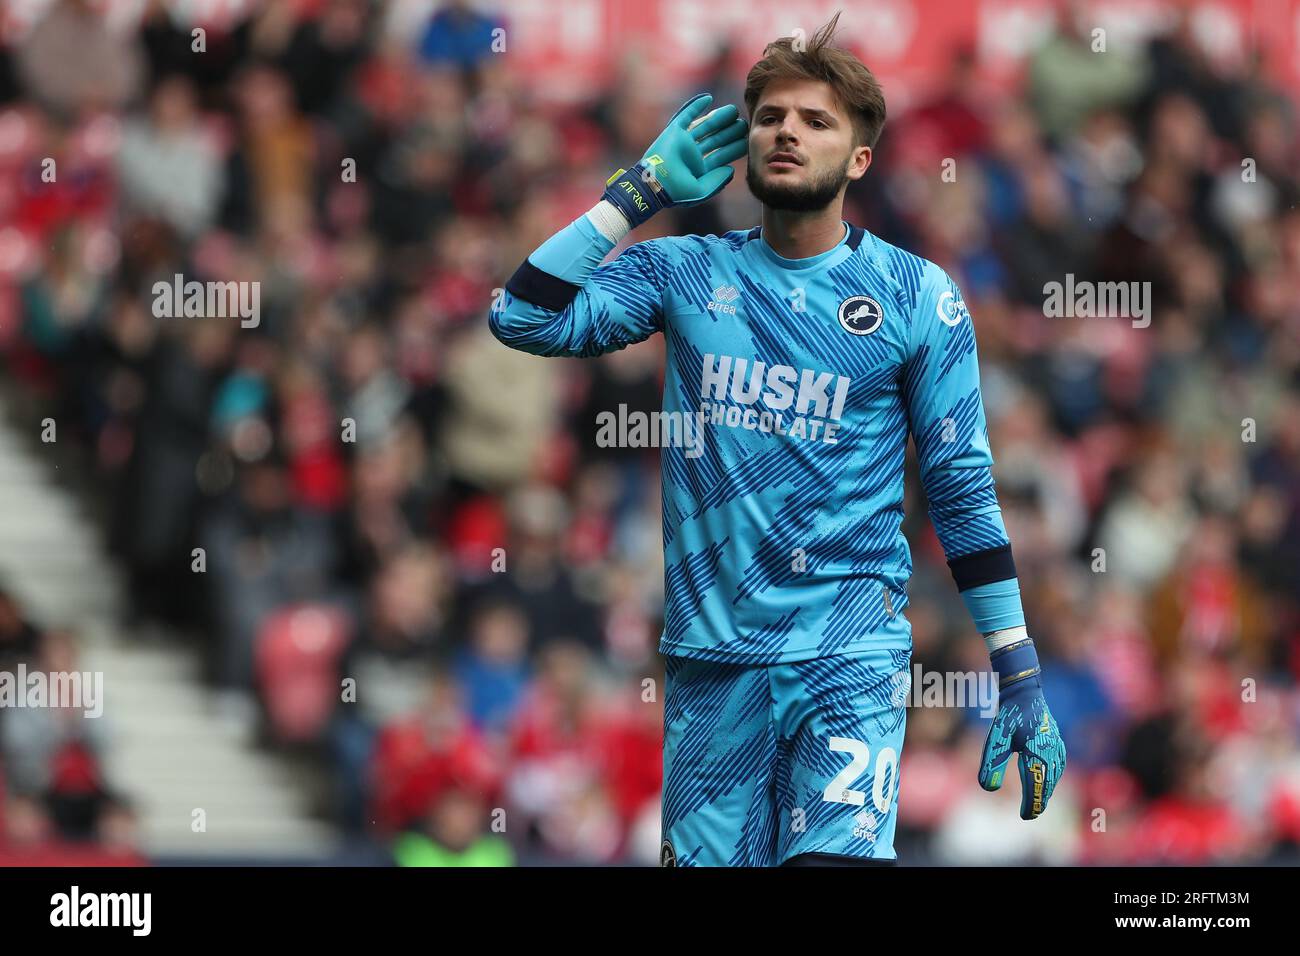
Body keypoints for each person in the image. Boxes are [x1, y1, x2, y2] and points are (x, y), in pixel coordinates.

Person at [487, 12, 1066, 866]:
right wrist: (637, 194)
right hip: (711, 666)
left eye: (815, 120)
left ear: (859, 159)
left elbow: (963, 492)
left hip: (847, 657)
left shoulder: (916, 298)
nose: (786, 131)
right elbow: (521, 317)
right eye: (770, 117)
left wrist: (1015, 664)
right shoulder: (685, 271)